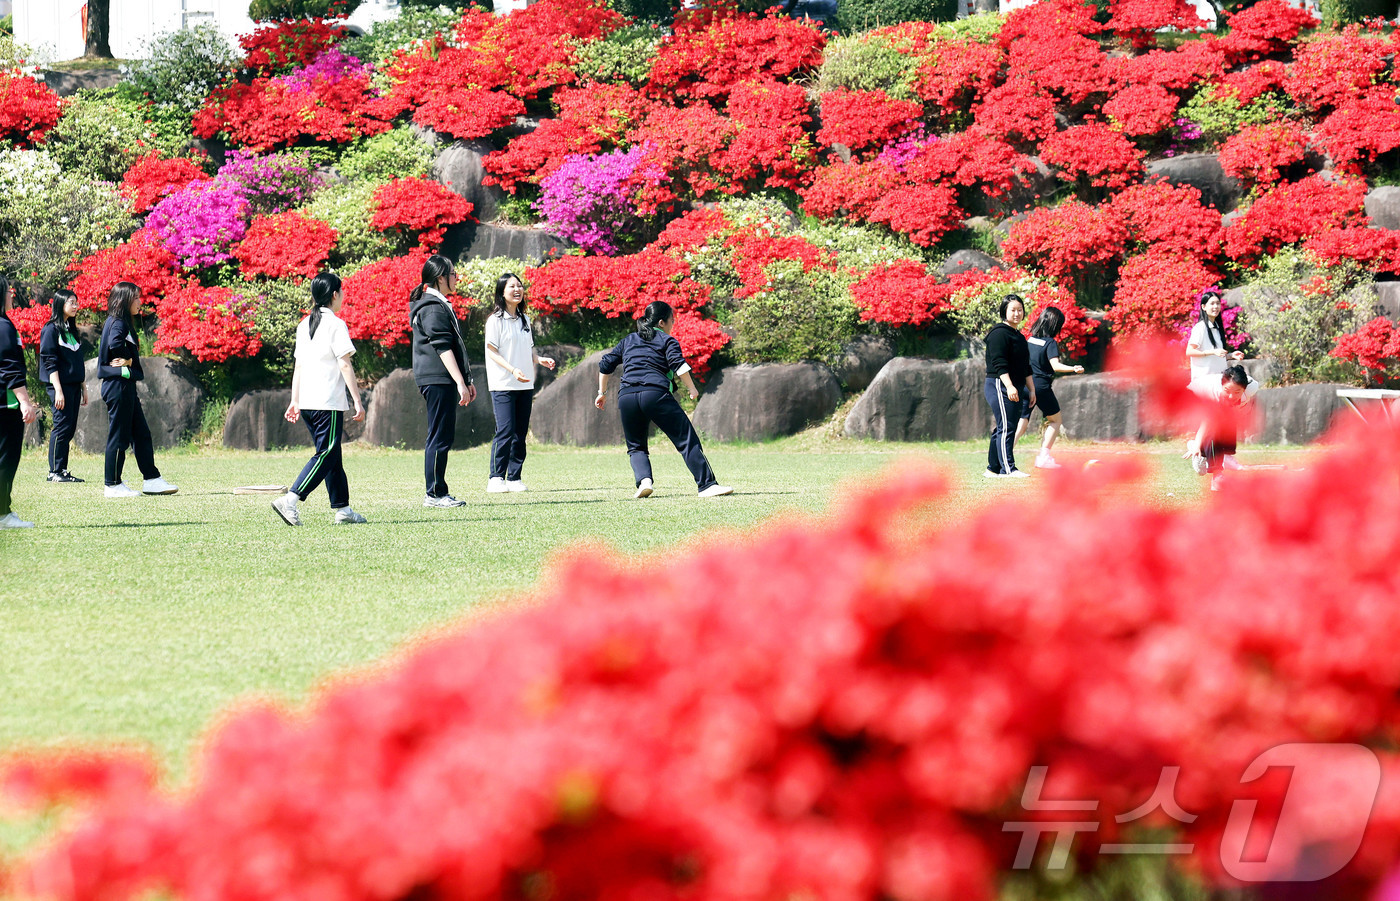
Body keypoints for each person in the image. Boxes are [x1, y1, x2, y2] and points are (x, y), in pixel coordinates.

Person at [596, 301, 731, 498]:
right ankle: (707, 485)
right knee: (686, 439)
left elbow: (605, 364)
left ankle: (644, 481)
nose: (673, 324)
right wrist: (692, 388)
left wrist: (601, 393)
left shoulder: (629, 339)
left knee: (636, 446)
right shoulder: (667, 340)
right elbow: (679, 365)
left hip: (627, 396)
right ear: (661, 322)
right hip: (655, 393)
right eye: (671, 320)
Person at [272, 272, 367, 527]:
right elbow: (344, 364)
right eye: (341, 292)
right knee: (326, 454)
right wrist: (358, 401)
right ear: (334, 294)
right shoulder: (336, 324)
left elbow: (299, 366)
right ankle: (290, 500)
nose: (343, 296)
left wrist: (295, 400)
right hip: (327, 403)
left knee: (332, 457)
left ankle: (343, 508)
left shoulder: (304, 325)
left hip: (308, 403)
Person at [97, 282, 178, 498]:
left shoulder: (121, 322)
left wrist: (129, 361)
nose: (140, 302)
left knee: (141, 434)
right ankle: (112, 484)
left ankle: (152, 479)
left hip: (125, 386)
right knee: (119, 436)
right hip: (118, 386)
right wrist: (128, 359)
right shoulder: (117, 323)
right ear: (124, 300)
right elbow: (115, 344)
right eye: (136, 298)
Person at [410, 254, 476, 508]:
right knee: (439, 436)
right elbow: (443, 347)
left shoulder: (436, 304)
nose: (457, 278)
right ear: (440, 278)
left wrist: (466, 379)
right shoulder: (432, 307)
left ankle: (436, 492)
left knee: (442, 435)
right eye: (453, 274)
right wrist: (460, 381)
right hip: (438, 378)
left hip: (441, 379)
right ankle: (435, 494)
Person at [482, 272, 554, 493]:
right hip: (503, 383)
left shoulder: (525, 320)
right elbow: (492, 351)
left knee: (520, 432)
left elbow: (528, 348)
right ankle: (496, 478)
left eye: (520, 286)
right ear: (502, 292)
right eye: (512, 286)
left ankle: (514, 477)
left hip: (524, 384)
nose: (517, 290)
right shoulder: (495, 320)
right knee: (505, 430)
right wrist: (512, 369)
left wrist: (539, 359)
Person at [1015, 305, 1085, 470]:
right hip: (1041, 387)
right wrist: (1073, 368)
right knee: (1056, 420)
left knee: (1022, 420)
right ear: (1055, 325)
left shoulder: (1030, 340)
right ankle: (1043, 458)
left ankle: (1004, 455)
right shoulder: (1050, 343)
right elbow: (1055, 366)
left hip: (1025, 384)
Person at [1186, 288, 1246, 471]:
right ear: (1203, 307)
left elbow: (1216, 356)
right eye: (1211, 303)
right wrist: (1212, 352)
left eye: (1218, 303)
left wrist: (1230, 356)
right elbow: (1190, 351)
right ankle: (1205, 455)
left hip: (1218, 382)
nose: (1216, 306)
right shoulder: (1200, 328)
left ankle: (1212, 454)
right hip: (1205, 383)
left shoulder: (1217, 329)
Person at [0, 277, 41, 528]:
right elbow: (9, 368)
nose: (11, 295)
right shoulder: (4, 326)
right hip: (5, 405)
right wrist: (25, 402)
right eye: (8, 291)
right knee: (5, 459)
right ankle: (2, 514)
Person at [38, 288, 87, 483]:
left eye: (76, 302)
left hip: (74, 386)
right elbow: (50, 362)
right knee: (61, 426)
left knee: (69, 428)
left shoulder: (71, 330)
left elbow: (78, 361)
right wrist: (58, 390)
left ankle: (63, 470)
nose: (75, 306)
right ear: (60, 304)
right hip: (60, 387)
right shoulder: (50, 329)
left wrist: (84, 387)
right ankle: (54, 472)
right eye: (71, 302)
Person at [984, 294, 1036, 479]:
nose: (1017, 313)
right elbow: (999, 363)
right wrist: (1009, 386)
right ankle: (1008, 469)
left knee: (1005, 426)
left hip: (1016, 385)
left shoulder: (1019, 336)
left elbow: (1026, 366)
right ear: (1004, 311)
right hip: (1000, 385)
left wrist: (1031, 389)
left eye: (1020, 310)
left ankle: (992, 469)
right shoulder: (998, 333)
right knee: (1007, 427)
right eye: (1013, 310)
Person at [1185, 365, 1259, 492]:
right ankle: (1216, 473)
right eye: (1227, 391)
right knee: (1215, 427)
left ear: (1244, 389)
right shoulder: (1214, 393)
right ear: (1222, 386)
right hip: (1192, 400)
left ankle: (1219, 455)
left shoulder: (1252, 388)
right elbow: (1208, 421)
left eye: (1237, 392)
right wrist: (1197, 443)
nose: (1231, 396)